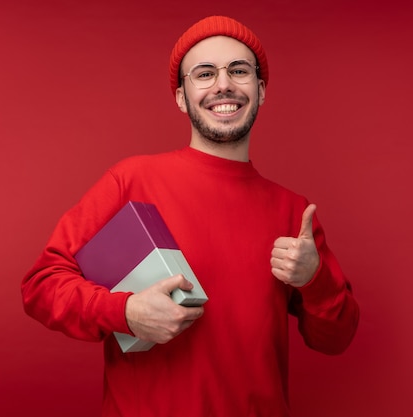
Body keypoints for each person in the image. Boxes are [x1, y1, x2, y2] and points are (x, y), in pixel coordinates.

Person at [22, 15, 359, 417]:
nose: (223, 84)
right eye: (204, 73)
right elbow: (41, 286)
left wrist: (313, 279)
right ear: (181, 97)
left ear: (261, 90)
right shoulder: (131, 180)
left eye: (238, 70)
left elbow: (335, 338)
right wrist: (125, 312)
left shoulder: (293, 212)